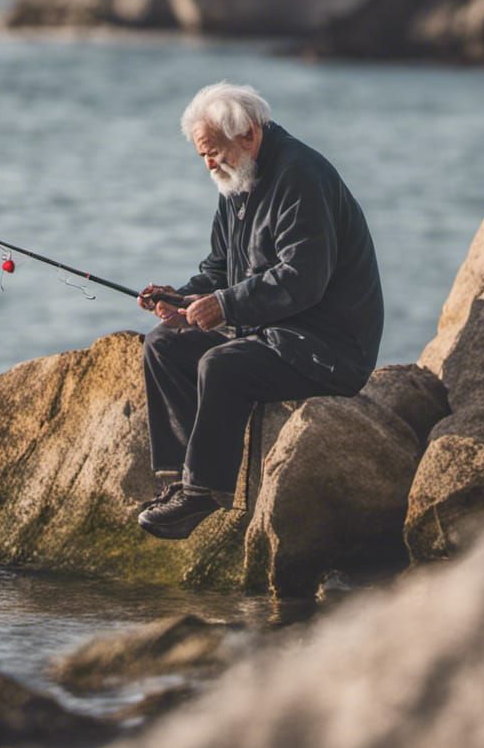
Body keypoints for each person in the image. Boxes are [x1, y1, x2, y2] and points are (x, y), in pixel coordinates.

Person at [137, 81, 384, 540]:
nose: (209, 164)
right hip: (272, 330)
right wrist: (182, 299)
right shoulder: (236, 178)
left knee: (222, 364)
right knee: (164, 345)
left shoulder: (300, 176)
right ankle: (179, 480)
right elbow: (218, 269)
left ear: (249, 134)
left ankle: (203, 492)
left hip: (328, 347)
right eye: (202, 156)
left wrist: (225, 306)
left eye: (214, 152)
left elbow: (303, 280)